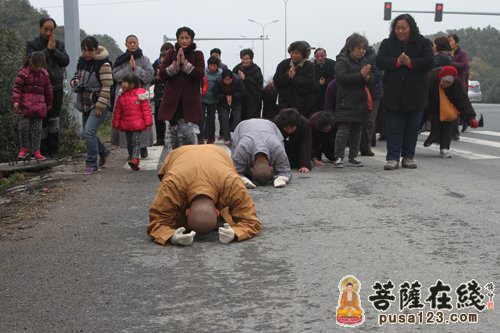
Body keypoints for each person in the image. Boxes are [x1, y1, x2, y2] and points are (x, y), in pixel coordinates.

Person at [147, 144, 261, 246]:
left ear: (187, 212)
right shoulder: (171, 184)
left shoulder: (231, 182)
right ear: (217, 212)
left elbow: (156, 223)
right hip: (178, 156)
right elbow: (251, 222)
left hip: (217, 154)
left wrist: (235, 233)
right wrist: (172, 237)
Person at [376, 14, 433, 170]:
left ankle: (408, 157)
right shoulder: (387, 43)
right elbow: (380, 61)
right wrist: (396, 62)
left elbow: (429, 62)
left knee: (412, 127)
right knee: (394, 127)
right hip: (393, 93)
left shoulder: (423, 43)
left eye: (404, 28)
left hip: (416, 93)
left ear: (411, 28)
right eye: (397, 28)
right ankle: (392, 158)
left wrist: (410, 63)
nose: (400, 31)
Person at [26, 17, 70, 159]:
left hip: (56, 87)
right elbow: (31, 61)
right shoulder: (32, 44)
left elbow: (65, 61)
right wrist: (47, 50)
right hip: (38, 88)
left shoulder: (59, 44)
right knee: (40, 119)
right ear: (40, 28)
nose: (48, 32)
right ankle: (41, 151)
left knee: (54, 119)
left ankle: (53, 151)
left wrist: (54, 50)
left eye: (51, 30)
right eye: (45, 29)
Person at [70, 36, 113, 174]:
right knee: (87, 133)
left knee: (88, 131)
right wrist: (74, 83)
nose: (86, 53)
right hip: (85, 101)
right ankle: (104, 151)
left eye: (90, 50)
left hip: (99, 102)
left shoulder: (104, 64)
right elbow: (76, 77)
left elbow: (107, 87)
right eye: (84, 50)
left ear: (96, 49)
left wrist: (101, 106)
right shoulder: (82, 61)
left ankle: (91, 163)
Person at [158, 26, 205, 149]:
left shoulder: (197, 55)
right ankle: (174, 161)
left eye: (187, 38)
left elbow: (199, 74)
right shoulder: (171, 54)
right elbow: (162, 74)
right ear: (177, 39)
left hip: (190, 102)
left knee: (190, 135)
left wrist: (184, 64)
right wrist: (176, 64)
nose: (184, 40)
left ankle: (189, 162)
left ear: (192, 39)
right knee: (173, 134)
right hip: (172, 101)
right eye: (181, 38)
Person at [112, 34, 154, 159]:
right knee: (127, 123)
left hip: (140, 96)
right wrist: (128, 68)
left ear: (138, 43)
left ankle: (143, 147)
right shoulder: (120, 59)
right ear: (125, 44)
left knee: (142, 121)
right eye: (129, 42)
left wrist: (136, 68)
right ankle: (131, 151)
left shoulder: (144, 59)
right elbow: (116, 76)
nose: (132, 44)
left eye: (134, 42)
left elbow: (149, 76)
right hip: (124, 97)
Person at [333, 33, 371, 168]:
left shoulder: (365, 62)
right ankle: (338, 157)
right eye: (359, 48)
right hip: (345, 100)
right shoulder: (342, 61)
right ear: (351, 48)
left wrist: (367, 78)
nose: (362, 51)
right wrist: (361, 76)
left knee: (357, 130)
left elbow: (368, 80)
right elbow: (342, 78)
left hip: (360, 101)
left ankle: (353, 156)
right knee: (343, 131)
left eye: (364, 48)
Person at [422, 66, 479, 158]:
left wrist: (470, 118)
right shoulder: (430, 78)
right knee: (414, 124)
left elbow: (463, 101)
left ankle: (444, 149)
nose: (445, 84)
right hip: (426, 104)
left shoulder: (456, 85)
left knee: (448, 122)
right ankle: (406, 147)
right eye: (444, 82)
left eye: (448, 83)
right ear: (440, 78)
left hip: (445, 108)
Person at [12, 51, 53, 161]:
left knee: (37, 130)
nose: (38, 69)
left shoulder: (44, 75)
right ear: (31, 63)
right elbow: (17, 88)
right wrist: (16, 100)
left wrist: (49, 102)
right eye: (36, 66)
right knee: (23, 128)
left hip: (39, 108)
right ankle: (23, 149)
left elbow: (48, 90)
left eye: (40, 67)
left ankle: (36, 151)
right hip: (25, 107)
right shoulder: (24, 73)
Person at [231, 118, 292, 189]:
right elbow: (285, 172)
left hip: (269, 126)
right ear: (271, 168)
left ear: (251, 169)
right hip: (243, 127)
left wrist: (280, 179)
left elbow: (235, 173)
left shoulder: (277, 147)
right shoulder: (242, 148)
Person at [112, 73, 153, 170]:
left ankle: (135, 159)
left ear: (132, 85)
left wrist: (148, 122)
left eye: (125, 82)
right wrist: (116, 124)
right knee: (129, 142)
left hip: (137, 124)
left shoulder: (140, 95)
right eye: (123, 82)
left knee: (136, 141)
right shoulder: (121, 96)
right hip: (126, 124)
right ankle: (131, 157)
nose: (122, 84)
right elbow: (117, 111)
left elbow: (146, 110)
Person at [273, 41, 315, 118]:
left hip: (303, 106)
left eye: (297, 53)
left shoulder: (309, 66)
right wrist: (287, 77)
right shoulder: (284, 64)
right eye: (292, 52)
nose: (294, 55)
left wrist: (295, 78)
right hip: (285, 104)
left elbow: (309, 84)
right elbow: (277, 81)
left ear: (303, 54)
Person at [359, 45, 384, 157]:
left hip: (373, 93)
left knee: (369, 120)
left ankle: (366, 146)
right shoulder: (349, 57)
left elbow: (379, 73)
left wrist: (368, 78)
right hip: (357, 92)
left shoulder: (374, 57)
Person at [273, 108, 312, 173]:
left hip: (297, 148)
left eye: (292, 128)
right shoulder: (276, 123)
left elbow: (306, 145)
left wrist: (304, 165)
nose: (289, 130)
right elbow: (274, 145)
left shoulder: (304, 123)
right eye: (286, 128)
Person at [214, 68, 246, 145]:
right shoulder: (218, 81)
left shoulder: (238, 80)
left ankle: (235, 136)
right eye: (225, 80)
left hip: (236, 101)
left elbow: (243, 92)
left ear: (232, 78)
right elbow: (215, 93)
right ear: (222, 79)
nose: (227, 81)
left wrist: (233, 96)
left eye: (229, 80)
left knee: (237, 118)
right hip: (223, 102)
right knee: (224, 118)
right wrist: (225, 96)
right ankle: (227, 138)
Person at [233, 48, 263, 119]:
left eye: (248, 59)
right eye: (244, 59)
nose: (245, 61)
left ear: (251, 59)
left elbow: (258, 84)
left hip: (253, 100)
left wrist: (245, 78)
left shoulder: (256, 69)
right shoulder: (237, 68)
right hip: (240, 100)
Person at [449, 34, 470, 136]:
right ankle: (459, 126)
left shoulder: (462, 54)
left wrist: (450, 63)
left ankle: (461, 125)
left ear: (456, 43)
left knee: (458, 106)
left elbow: (464, 65)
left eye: (451, 41)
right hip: (448, 83)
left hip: (458, 83)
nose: (449, 43)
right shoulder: (446, 53)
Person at [201, 56, 222, 144]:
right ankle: (200, 137)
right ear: (208, 65)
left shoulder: (221, 73)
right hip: (202, 98)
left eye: (214, 66)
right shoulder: (203, 72)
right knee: (200, 119)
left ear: (217, 66)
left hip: (213, 100)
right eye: (211, 66)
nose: (212, 68)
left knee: (211, 119)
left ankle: (211, 137)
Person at [151, 49, 170, 146]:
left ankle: (171, 138)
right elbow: (150, 81)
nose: (164, 60)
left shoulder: (173, 68)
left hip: (170, 98)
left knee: (172, 119)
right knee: (158, 120)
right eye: (162, 58)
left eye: (166, 58)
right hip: (158, 98)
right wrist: (157, 77)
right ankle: (160, 138)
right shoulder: (157, 69)